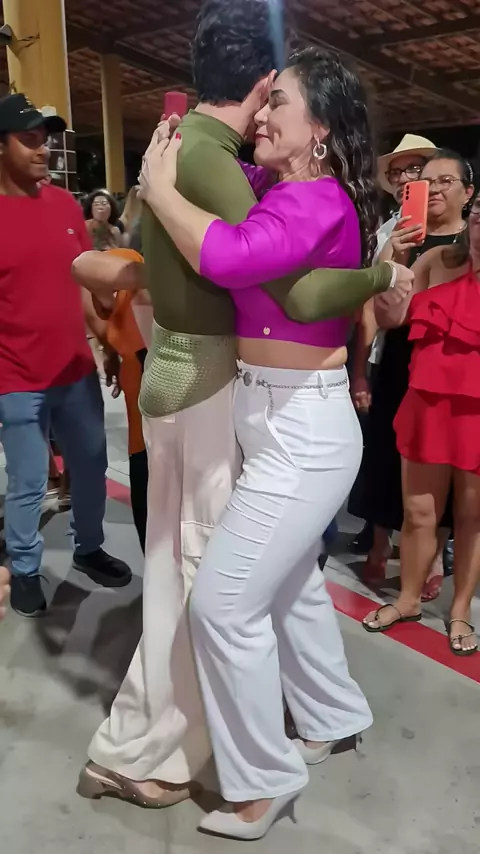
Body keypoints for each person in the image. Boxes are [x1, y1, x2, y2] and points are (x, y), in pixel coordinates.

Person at [75, 0, 411, 812]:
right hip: (243, 400)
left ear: (315, 125)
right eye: (270, 95)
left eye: (282, 103)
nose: (266, 114)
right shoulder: (243, 172)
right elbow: (230, 261)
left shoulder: (284, 188)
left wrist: (156, 193)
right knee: (269, 581)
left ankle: (253, 768)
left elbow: (247, 268)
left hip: (280, 411)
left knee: (221, 590)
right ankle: (321, 717)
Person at [0, 93, 132, 617]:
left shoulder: (63, 206)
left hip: (75, 370)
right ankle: (25, 567)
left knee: (91, 463)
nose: (43, 149)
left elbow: (83, 285)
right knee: (29, 480)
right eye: (29, 139)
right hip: (16, 376)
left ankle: (89, 547)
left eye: (46, 140)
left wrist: (109, 343)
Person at [363, 189, 480, 656]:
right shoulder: (436, 260)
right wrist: (395, 256)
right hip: (426, 402)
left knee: (471, 517)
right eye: (479, 215)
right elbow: (390, 316)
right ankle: (408, 599)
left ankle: (461, 610)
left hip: (476, 413)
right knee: (418, 513)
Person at [348, 134, 438, 554]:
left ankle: (435, 542)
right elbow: (371, 297)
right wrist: (360, 370)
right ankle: (377, 533)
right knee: (382, 445)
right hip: (389, 351)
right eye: (397, 172)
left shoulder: (460, 234)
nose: (404, 178)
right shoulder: (386, 229)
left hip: (439, 359)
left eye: (413, 169)